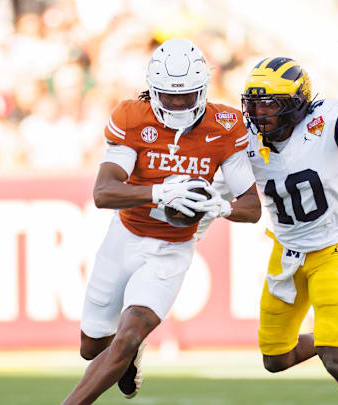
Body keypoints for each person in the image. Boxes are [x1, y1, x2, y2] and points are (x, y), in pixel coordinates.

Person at [62, 38, 261, 405]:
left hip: (172, 248)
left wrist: (220, 207)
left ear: (203, 88)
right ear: (153, 91)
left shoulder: (225, 125)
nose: (179, 103)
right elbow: (103, 192)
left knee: (128, 334)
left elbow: (252, 207)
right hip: (124, 237)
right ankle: (131, 354)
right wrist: (158, 193)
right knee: (92, 347)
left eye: (187, 95)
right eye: (170, 95)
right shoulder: (132, 117)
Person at [236, 31, 338, 404]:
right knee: (275, 358)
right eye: (254, 106)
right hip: (286, 252)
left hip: (329, 252)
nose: (259, 114)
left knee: (336, 359)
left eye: (270, 105)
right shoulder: (249, 139)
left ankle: (336, 341)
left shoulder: (324, 125)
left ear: (296, 104)